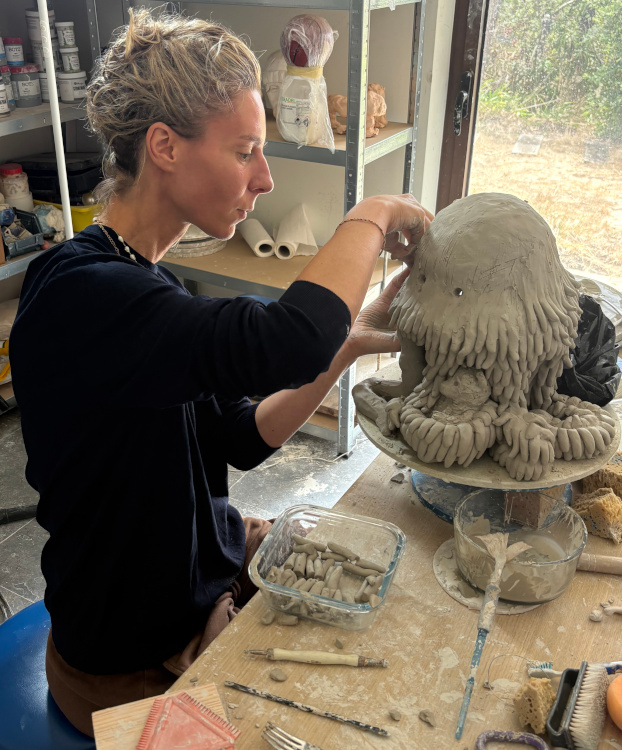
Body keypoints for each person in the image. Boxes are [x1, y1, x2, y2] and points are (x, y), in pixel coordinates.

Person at [9, 9, 432, 737]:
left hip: (195, 582)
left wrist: (349, 344)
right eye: (245, 152)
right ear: (165, 147)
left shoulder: (149, 285)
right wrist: (373, 212)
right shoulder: (86, 295)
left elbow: (240, 436)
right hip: (127, 661)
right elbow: (292, 338)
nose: (264, 179)